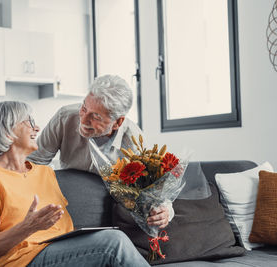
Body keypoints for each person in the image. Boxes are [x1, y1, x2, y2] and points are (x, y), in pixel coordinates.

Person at [0, 101, 151, 267]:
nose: (37, 128)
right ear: (7, 132)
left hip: (61, 251)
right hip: (22, 260)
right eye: (29, 122)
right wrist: (28, 227)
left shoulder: (45, 172)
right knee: (113, 243)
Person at [28, 74, 172, 228]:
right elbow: (34, 162)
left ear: (118, 122)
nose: (83, 120)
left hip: (108, 217)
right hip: (64, 207)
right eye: (84, 108)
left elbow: (156, 194)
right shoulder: (65, 117)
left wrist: (164, 212)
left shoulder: (134, 143)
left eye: (95, 117)